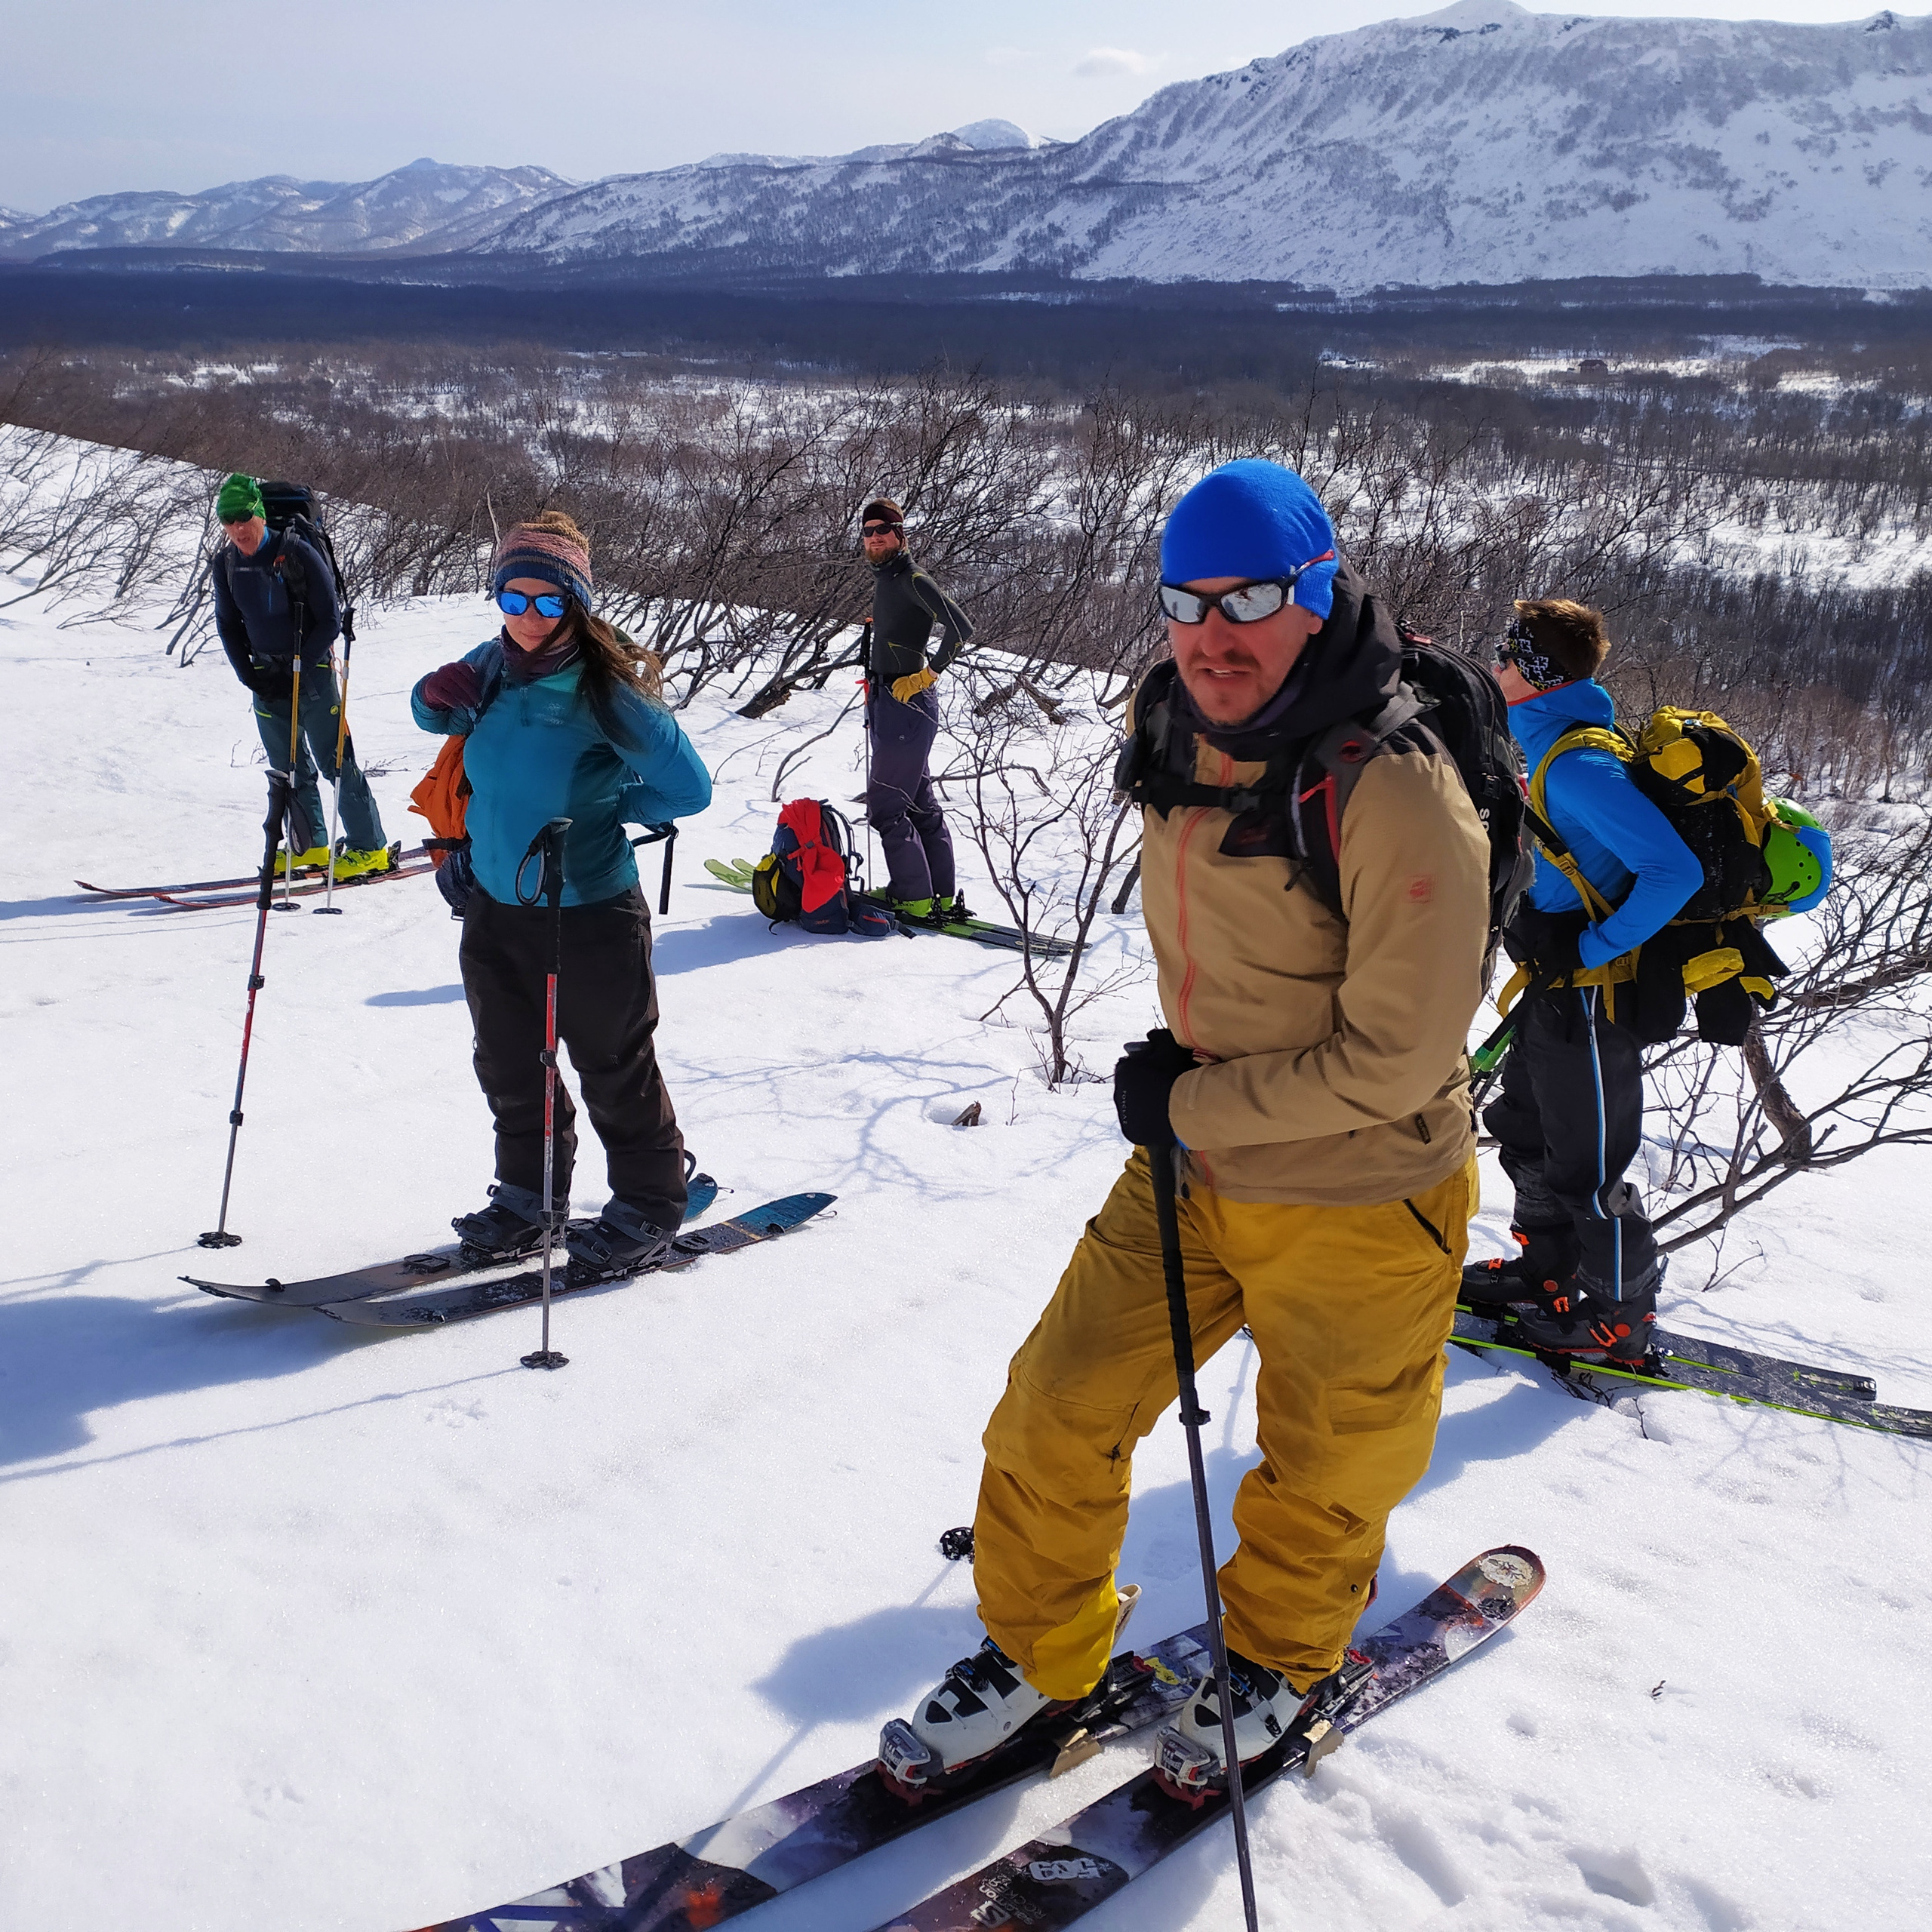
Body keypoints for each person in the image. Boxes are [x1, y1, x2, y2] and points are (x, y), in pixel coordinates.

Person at [875, 459, 1493, 1804]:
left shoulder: (1393, 789)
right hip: (1196, 1166)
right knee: (1055, 1410)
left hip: (1362, 1192)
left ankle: (1273, 1664)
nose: (1215, 631)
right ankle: (1043, 1664)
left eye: (1253, 598)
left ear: (1318, 594)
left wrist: (1190, 1098)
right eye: (1187, 600)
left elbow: (1400, 1058)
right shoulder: (1179, 724)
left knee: (1324, 1467)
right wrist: (1189, 1083)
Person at [411, 513, 712, 1272]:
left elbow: (688, 789)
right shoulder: (490, 665)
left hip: (590, 911)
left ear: (575, 605)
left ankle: (647, 1205)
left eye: (549, 603)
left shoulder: (608, 691)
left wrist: (608, 809)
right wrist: (426, 696)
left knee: (612, 1062)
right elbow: (434, 716)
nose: (530, 617)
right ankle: (529, 1198)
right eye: (515, 599)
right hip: (494, 900)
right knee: (510, 1060)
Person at [1462, 600, 1701, 1361]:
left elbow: (1676, 872)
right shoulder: (1539, 746)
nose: (1494, 662)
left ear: (1536, 672)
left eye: (1506, 652)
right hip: (1553, 989)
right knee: (1527, 1131)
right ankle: (1547, 1274)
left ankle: (1620, 1321)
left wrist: (1596, 946)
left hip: (1594, 1001)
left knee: (1590, 1168)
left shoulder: (1581, 766)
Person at [209, 472, 390, 878]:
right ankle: (309, 848)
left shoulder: (295, 553)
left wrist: (300, 666)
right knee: (287, 768)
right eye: (229, 520)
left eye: (244, 517)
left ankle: (369, 847)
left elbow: (329, 620)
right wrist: (249, 676)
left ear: (259, 514)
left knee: (336, 762)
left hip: (312, 672)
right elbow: (228, 624)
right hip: (265, 674)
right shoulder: (226, 563)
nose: (238, 528)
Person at [859, 497, 974, 923]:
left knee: (888, 807)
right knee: (920, 802)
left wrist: (929, 674)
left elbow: (962, 629)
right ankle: (938, 896)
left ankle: (912, 898)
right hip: (891, 700)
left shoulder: (911, 578)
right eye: (868, 532)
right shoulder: (888, 577)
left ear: (899, 534)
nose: (874, 538)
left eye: (882, 531)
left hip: (906, 703)